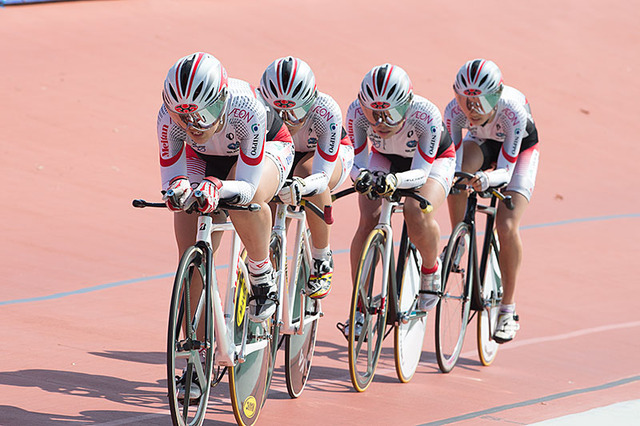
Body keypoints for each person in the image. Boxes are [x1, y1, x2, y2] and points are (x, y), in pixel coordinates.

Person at [157, 52, 294, 400]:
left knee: (244, 203)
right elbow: (172, 178)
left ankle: (261, 270)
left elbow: (246, 186)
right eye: (182, 118)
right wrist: (179, 192)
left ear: (220, 99)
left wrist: (217, 187)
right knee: (190, 262)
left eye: (202, 115)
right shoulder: (167, 117)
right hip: (203, 159)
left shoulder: (245, 106)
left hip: (265, 153)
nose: (192, 126)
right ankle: (195, 361)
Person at [344, 63, 456, 334]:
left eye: (391, 114)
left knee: (416, 209)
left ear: (406, 105)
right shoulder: (355, 113)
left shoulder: (425, 114)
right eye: (374, 114)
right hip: (385, 158)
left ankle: (431, 269)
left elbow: (419, 173)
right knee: (368, 218)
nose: (381, 123)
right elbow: (356, 163)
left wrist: (394, 181)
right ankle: (359, 306)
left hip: (432, 161)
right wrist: (362, 178)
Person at [443, 58, 540, 344]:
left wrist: (487, 180)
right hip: (484, 143)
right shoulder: (453, 111)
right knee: (457, 179)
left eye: (480, 102)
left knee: (506, 225)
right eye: (465, 100)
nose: (471, 110)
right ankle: (459, 240)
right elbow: (454, 161)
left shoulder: (512, 111)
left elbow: (506, 170)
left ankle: (508, 309)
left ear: (496, 96)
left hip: (519, 151)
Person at [258, 56, 354, 299]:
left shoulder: (326, 109)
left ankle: (322, 258)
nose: (287, 120)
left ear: (311, 101)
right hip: (281, 152)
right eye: (278, 113)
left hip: (324, 156)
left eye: (296, 111)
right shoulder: (256, 105)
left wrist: (304, 185)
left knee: (308, 175)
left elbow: (322, 175)